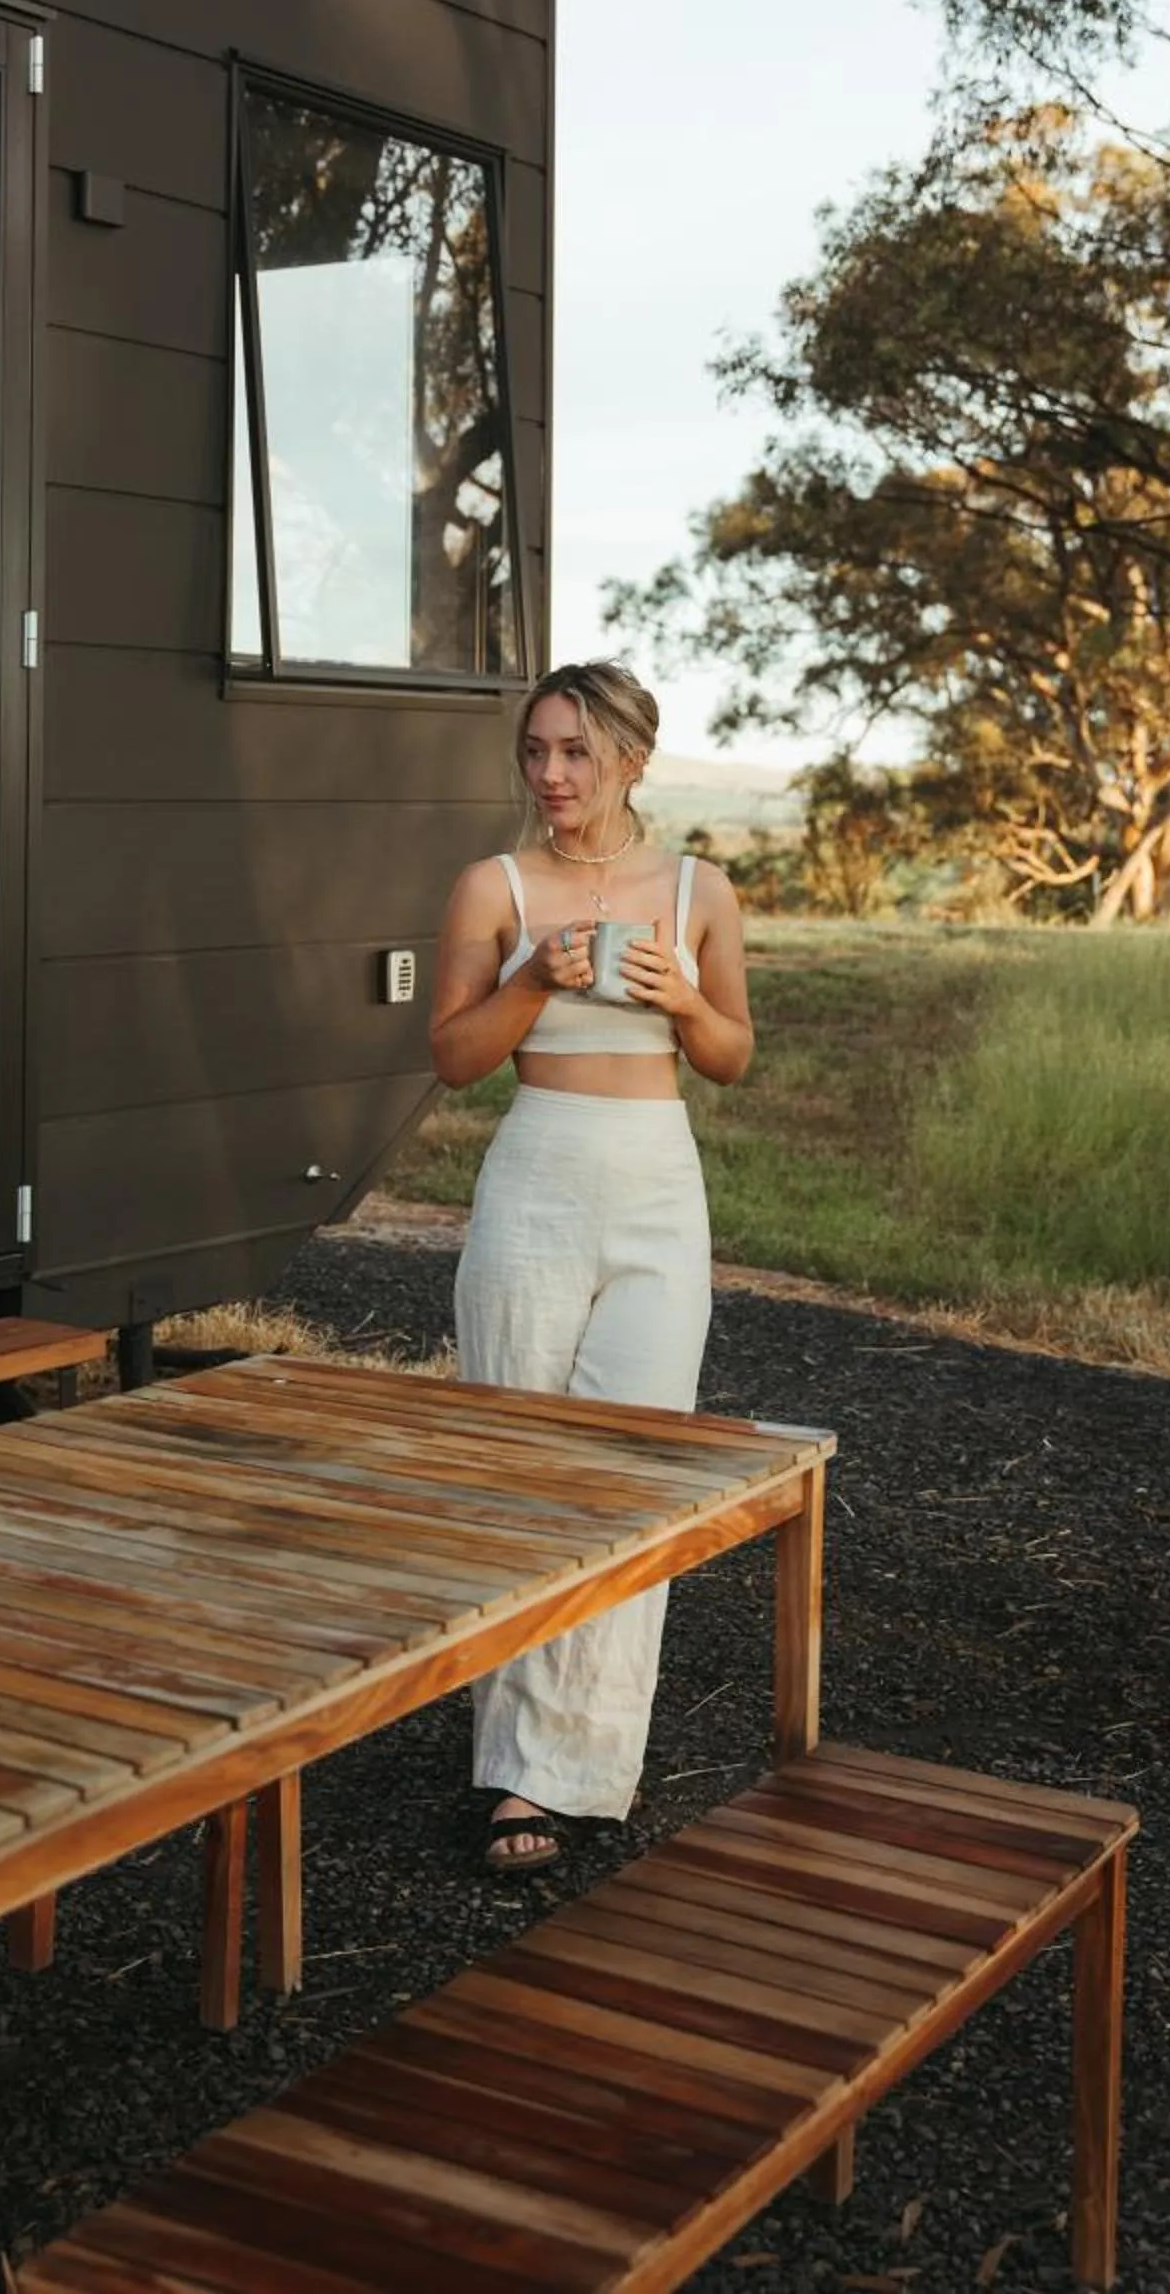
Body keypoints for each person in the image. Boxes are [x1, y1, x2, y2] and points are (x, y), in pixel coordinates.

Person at [428, 660, 754, 1873]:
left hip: (657, 1187)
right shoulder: (492, 886)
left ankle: (585, 1766)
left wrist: (681, 1000)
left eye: (573, 752)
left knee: (630, 1478)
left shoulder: (698, 891)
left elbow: (731, 1056)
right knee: (520, 1469)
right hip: (535, 1183)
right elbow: (456, 1058)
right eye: (534, 752)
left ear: (630, 757)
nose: (549, 776)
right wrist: (527, 980)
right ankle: (515, 1770)